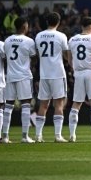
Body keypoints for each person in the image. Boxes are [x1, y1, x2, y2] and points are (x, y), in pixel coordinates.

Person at [68, 16, 91, 142]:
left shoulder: (72, 40)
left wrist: (75, 70)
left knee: (76, 103)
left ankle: (72, 135)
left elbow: (69, 59)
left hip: (78, 73)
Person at [34, 12, 70, 143]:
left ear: (47, 22)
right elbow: (66, 56)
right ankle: (58, 135)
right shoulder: (61, 36)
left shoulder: (38, 36)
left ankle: (38, 136)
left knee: (43, 105)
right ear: (58, 22)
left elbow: (37, 54)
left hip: (44, 74)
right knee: (59, 104)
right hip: (58, 74)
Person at [3, 16, 38, 143]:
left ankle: (5, 136)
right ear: (24, 26)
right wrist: (28, 64)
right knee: (26, 104)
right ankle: (24, 136)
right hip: (24, 76)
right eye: (27, 25)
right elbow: (34, 58)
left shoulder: (7, 40)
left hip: (10, 75)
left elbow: (5, 58)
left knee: (8, 106)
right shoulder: (29, 41)